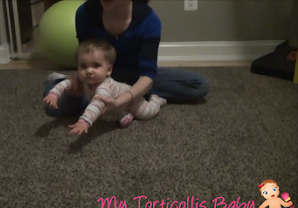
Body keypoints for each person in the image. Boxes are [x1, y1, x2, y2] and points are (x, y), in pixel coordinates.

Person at [43, 0, 209, 118]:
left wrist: (123, 101)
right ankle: (72, 84)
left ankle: (127, 96)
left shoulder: (149, 20)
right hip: (99, 79)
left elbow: (147, 75)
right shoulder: (85, 13)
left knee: (198, 86)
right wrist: (84, 81)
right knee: (53, 105)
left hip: (136, 77)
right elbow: (85, 59)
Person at [44, 39, 167, 135]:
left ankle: (156, 100)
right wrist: (54, 94)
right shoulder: (85, 79)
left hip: (133, 101)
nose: (89, 71)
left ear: (109, 70)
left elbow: (96, 104)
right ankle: (122, 114)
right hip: (112, 104)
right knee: (104, 114)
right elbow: (66, 83)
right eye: (83, 66)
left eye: (95, 66)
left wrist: (84, 121)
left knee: (148, 114)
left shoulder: (105, 87)